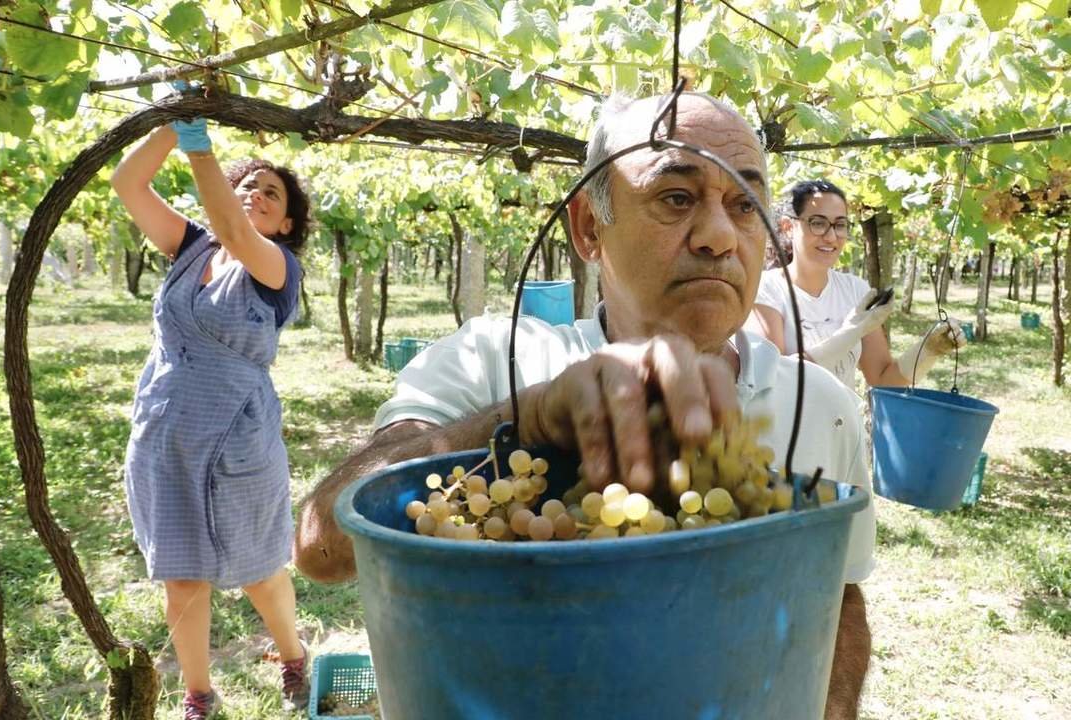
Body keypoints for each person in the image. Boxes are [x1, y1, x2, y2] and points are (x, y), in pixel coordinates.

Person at [296, 94, 874, 719]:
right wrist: (531, 420)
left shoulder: (823, 405)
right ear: (588, 228)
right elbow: (322, 548)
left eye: (744, 205)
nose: (717, 237)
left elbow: (837, 600)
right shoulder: (493, 362)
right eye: (675, 198)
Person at [112, 115, 311, 718]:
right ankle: (198, 693)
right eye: (245, 182)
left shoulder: (276, 268)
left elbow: (229, 221)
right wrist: (173, 128)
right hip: (166, 430)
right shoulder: (193, 244)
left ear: (286, 223)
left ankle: (293, 654)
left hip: (236, 438)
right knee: (181, 573)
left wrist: (201, 152)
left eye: (269, 192)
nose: (254, 191)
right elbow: (127, 183)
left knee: (259, 567)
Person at [746, 179, 965, 392]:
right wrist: (851, 332)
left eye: (840, 225)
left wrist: (929, 350)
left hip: (845, 429)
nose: (831, 237)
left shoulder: (855, 291)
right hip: (790, 430)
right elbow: (775, 380)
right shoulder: (765, 290)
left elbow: (881, 378)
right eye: (818, 223)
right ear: (788, 227)